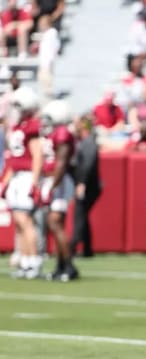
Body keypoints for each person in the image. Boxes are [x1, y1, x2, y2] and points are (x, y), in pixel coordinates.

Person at [3, 87, 44, 279]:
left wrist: (34, 182)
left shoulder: (32, 127)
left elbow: (37, 156)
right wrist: (5, 182)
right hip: (17, 176)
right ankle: (25, 261)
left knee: (25, 221)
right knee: (19, 222)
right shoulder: (17, 127)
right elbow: (13, 160)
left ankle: (33, 261)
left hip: (27, 176)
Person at [40, 99, 78, 281]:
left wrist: (52, 187)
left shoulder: (63, 133)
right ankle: (60, 265)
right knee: (54, 225)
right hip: (53, 180)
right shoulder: (54, 132)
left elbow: (61, 163)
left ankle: (68, 266)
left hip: (60, 181)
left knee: (56, 223)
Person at [71, 115, 101, 258]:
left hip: (88, 186)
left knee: (80, 215)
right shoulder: (83, 141)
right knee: (82, 215)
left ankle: (72, 246)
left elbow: (88, 164)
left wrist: (82, 182)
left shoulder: (88, 142)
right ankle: (87, 249)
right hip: (85, 184)